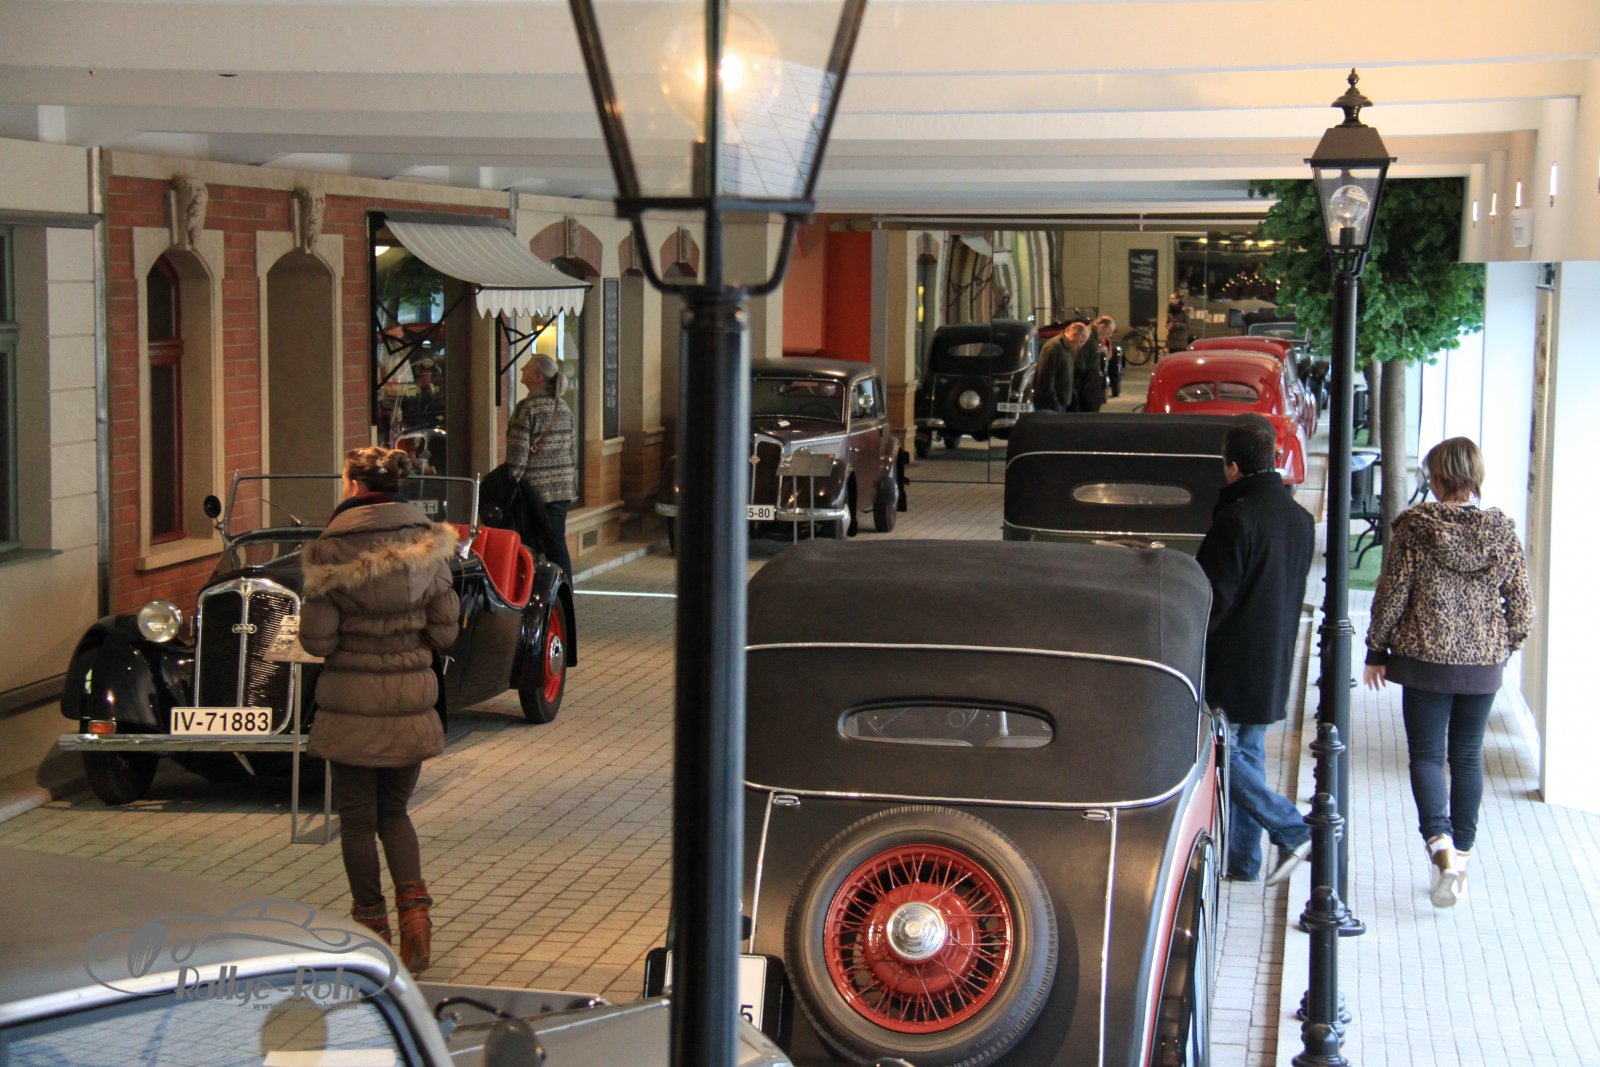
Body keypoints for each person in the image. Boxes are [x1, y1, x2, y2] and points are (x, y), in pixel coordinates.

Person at [300, 446, 461, 973]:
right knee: (395, 812)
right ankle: (417, 923)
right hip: (411, 702)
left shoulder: (329, 551)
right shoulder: (430, 545)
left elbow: (318, 640)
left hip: (351, 704)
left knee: (357, 821)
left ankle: (371, 927)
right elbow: (445, 631)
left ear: (353, 484)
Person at [1363, 437, 1532, 908]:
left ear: (1436, 479)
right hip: (1483, 664)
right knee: (1468, 756)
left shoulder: (1415, 528)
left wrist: (1377, 648)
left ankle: (1440, 848)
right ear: (1476, 477)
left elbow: (1392, 593)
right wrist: (1503, 648)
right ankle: (1463, 856)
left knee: (1427, 756)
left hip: (1425, 661)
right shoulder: (1501, 532)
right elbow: (1522, 607)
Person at [1196, 421, 1315, 884]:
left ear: (1232, 467)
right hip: (1274, 655)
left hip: (1232, 659)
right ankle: (1244, 862)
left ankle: (1291, 826)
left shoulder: (1235, 521)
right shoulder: (1299, 518)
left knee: (1216, 750)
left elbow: (1213, 598)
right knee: (1248, 751)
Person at [507, 353, 577, 582]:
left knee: (530, 545)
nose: (521, 370)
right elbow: (572, 452)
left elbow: (517, 456)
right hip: (561, 490)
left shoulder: (527, 408)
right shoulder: (563, 407)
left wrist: (509, 486)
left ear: (538, 377)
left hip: (533, 491)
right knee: (556, 543)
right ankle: (563, 590)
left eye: (526, 368)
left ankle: (537, 590)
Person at [1034, 322, 1087, 413]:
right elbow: (1045, 378)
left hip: (1059, 402)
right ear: (1075, 334)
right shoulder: (1054, 347)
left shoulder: (1065, 347)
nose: (1081, 345)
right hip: (1051, 404)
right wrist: (1055, 399)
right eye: (1082, 341)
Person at [1092, 314, 1120, 399]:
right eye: (1108, 333)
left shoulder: (1105, 338)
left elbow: (1109, 353)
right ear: (1103, 327)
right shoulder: (1091, 336)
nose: (1108, 335)